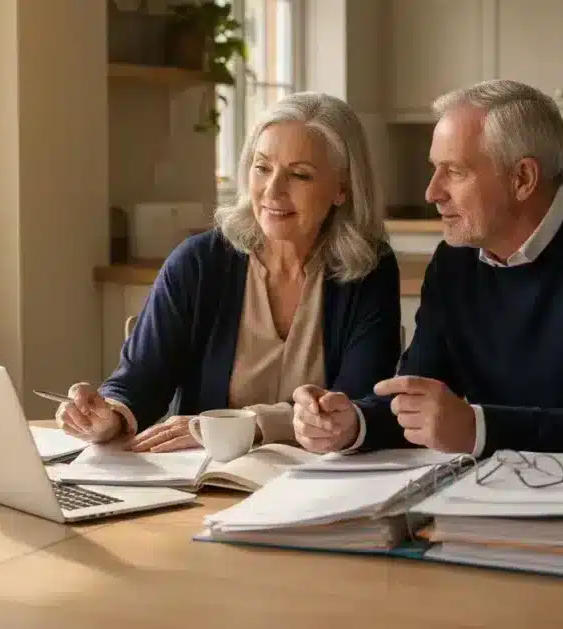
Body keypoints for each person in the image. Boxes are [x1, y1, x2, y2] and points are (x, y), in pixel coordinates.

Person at [290, 79, 563, 490]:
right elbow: (419, 398)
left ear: (522, 179)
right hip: (516, 498)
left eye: (453, 171)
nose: (431, 192)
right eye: (435, 170)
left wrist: (477, 427)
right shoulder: (454, 260)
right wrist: (352, 423)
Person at [56, 91, 401, 453]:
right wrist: (107, 416)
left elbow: (357, 403)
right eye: (262, 167)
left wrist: (238, 426)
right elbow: (139, 382)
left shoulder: (369, 270)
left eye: (300, 175)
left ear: (342, 189)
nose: (272, 190)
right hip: (205, 482)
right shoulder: (199, 262)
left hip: (318, 486)